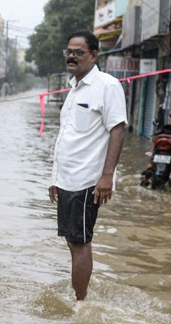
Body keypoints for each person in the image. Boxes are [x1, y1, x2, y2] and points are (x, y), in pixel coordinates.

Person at [49, 30, 127, 301]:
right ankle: (79, 295)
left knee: (80, 242)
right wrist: (54, 177)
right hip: (67, 179)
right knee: (72, 241)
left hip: (87, 180)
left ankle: (80, 303)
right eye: (68, 51)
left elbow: (118, 129)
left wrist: (107, 176)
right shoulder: (73, 88)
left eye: (78, 52)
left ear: (93, 55)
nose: (71, 56)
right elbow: (66, 136)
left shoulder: (107, 86)